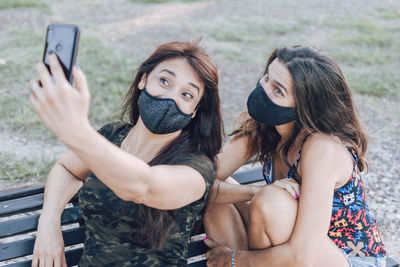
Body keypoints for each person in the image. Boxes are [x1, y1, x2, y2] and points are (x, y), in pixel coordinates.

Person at [29, 41, 223, 266]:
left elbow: (142, 186)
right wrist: (49, 221)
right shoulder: (114, 135)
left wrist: (77, 131)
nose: (170, 98)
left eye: (187, 95)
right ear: (143, 79)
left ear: (194, 112)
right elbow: (67, 168)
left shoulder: (196, 168)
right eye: (164, 81)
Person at [203, 46, 387, 267]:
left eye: (278, 90)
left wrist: (233, 260)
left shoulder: (321, 148)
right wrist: (253, 190)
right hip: (295, 250)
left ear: (304, 108)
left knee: (270, 202)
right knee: (214, 195)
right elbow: (202, 180)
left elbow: (301, 257)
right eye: (266, 78)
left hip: (348, 259)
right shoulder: (266, 129)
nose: (264, 90)